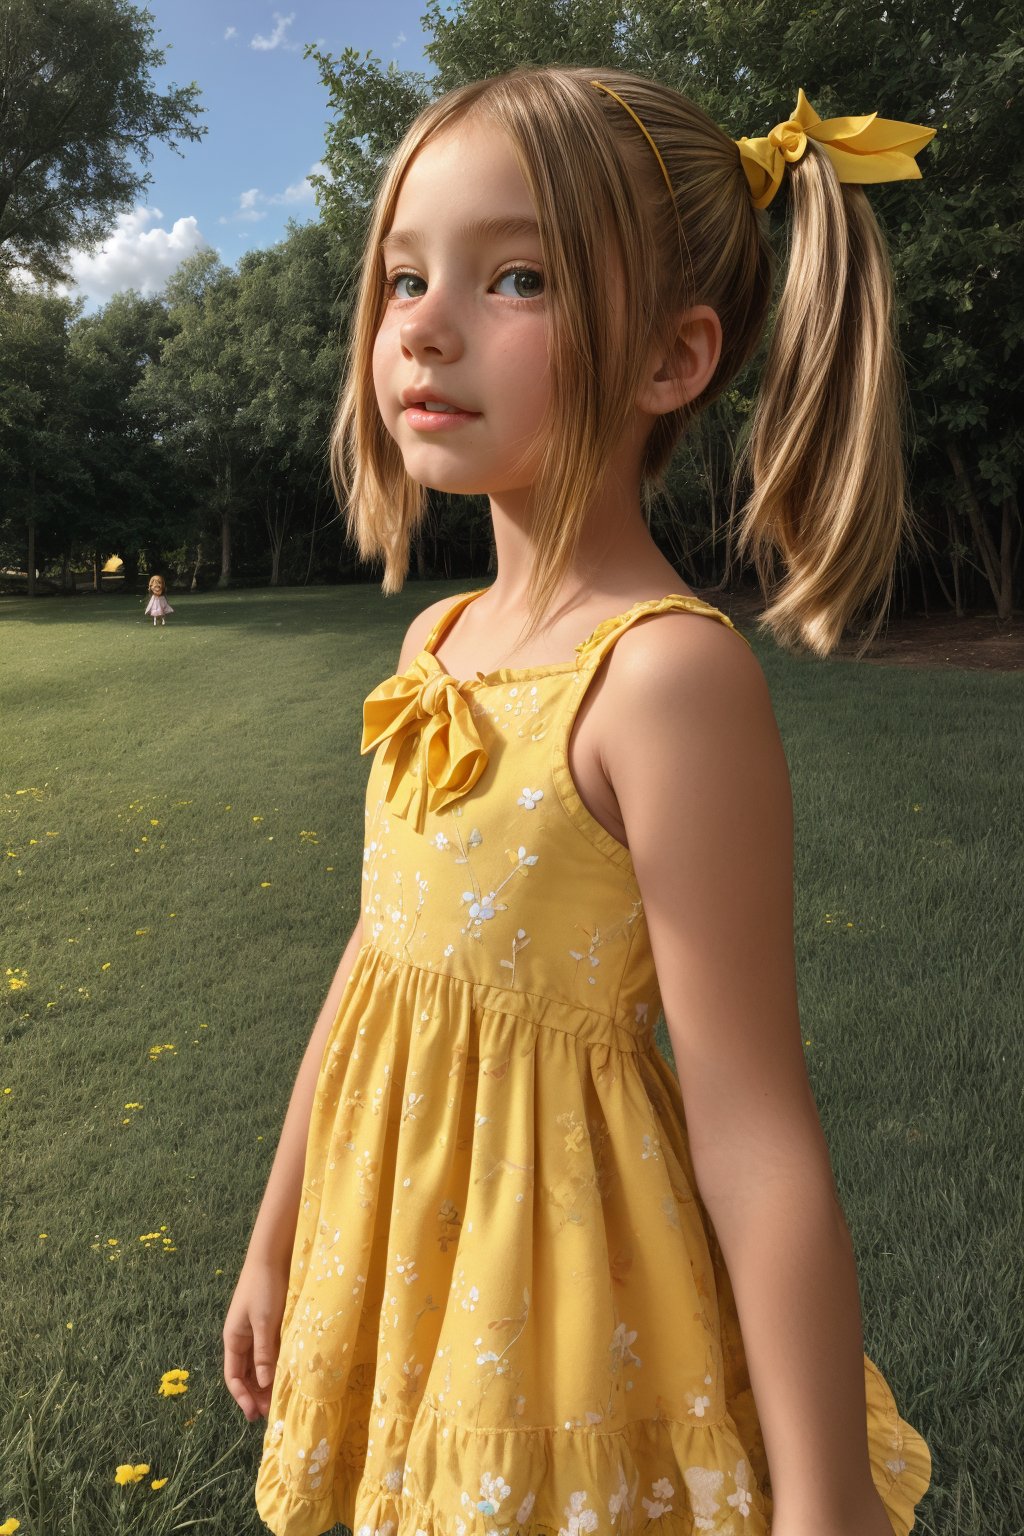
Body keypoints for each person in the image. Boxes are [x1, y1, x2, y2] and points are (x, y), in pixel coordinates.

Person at [225, 66, 936, 1536]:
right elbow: (383, 957)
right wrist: (279, 1232)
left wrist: (823, 1498)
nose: (420, 324)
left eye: (519, 277)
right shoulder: (437, 644)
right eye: (405, 275)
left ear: (673, 360)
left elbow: (755, 1131)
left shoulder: (663, 679)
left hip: (550, 1298)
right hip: (391, 1252)